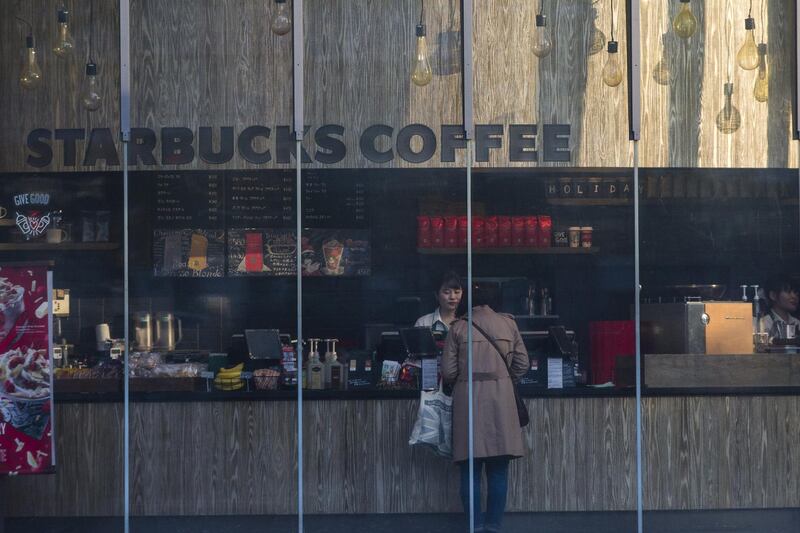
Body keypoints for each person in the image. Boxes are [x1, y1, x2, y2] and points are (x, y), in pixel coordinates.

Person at [441, 283, 529, 533]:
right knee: (499, 469)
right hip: (502, 401)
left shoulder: (458, 327)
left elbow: (448, 372)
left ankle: (474, 526)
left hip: (468, 400)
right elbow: (522, 364)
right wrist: (502, 377)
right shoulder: (508, 324)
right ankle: (494, 526)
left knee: (470, 469)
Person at [760, 274, 800, 342]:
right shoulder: (763, 323)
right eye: (788, 292)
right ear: (773, 295)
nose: (794, 296)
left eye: (796, 293)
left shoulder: (797, 323)